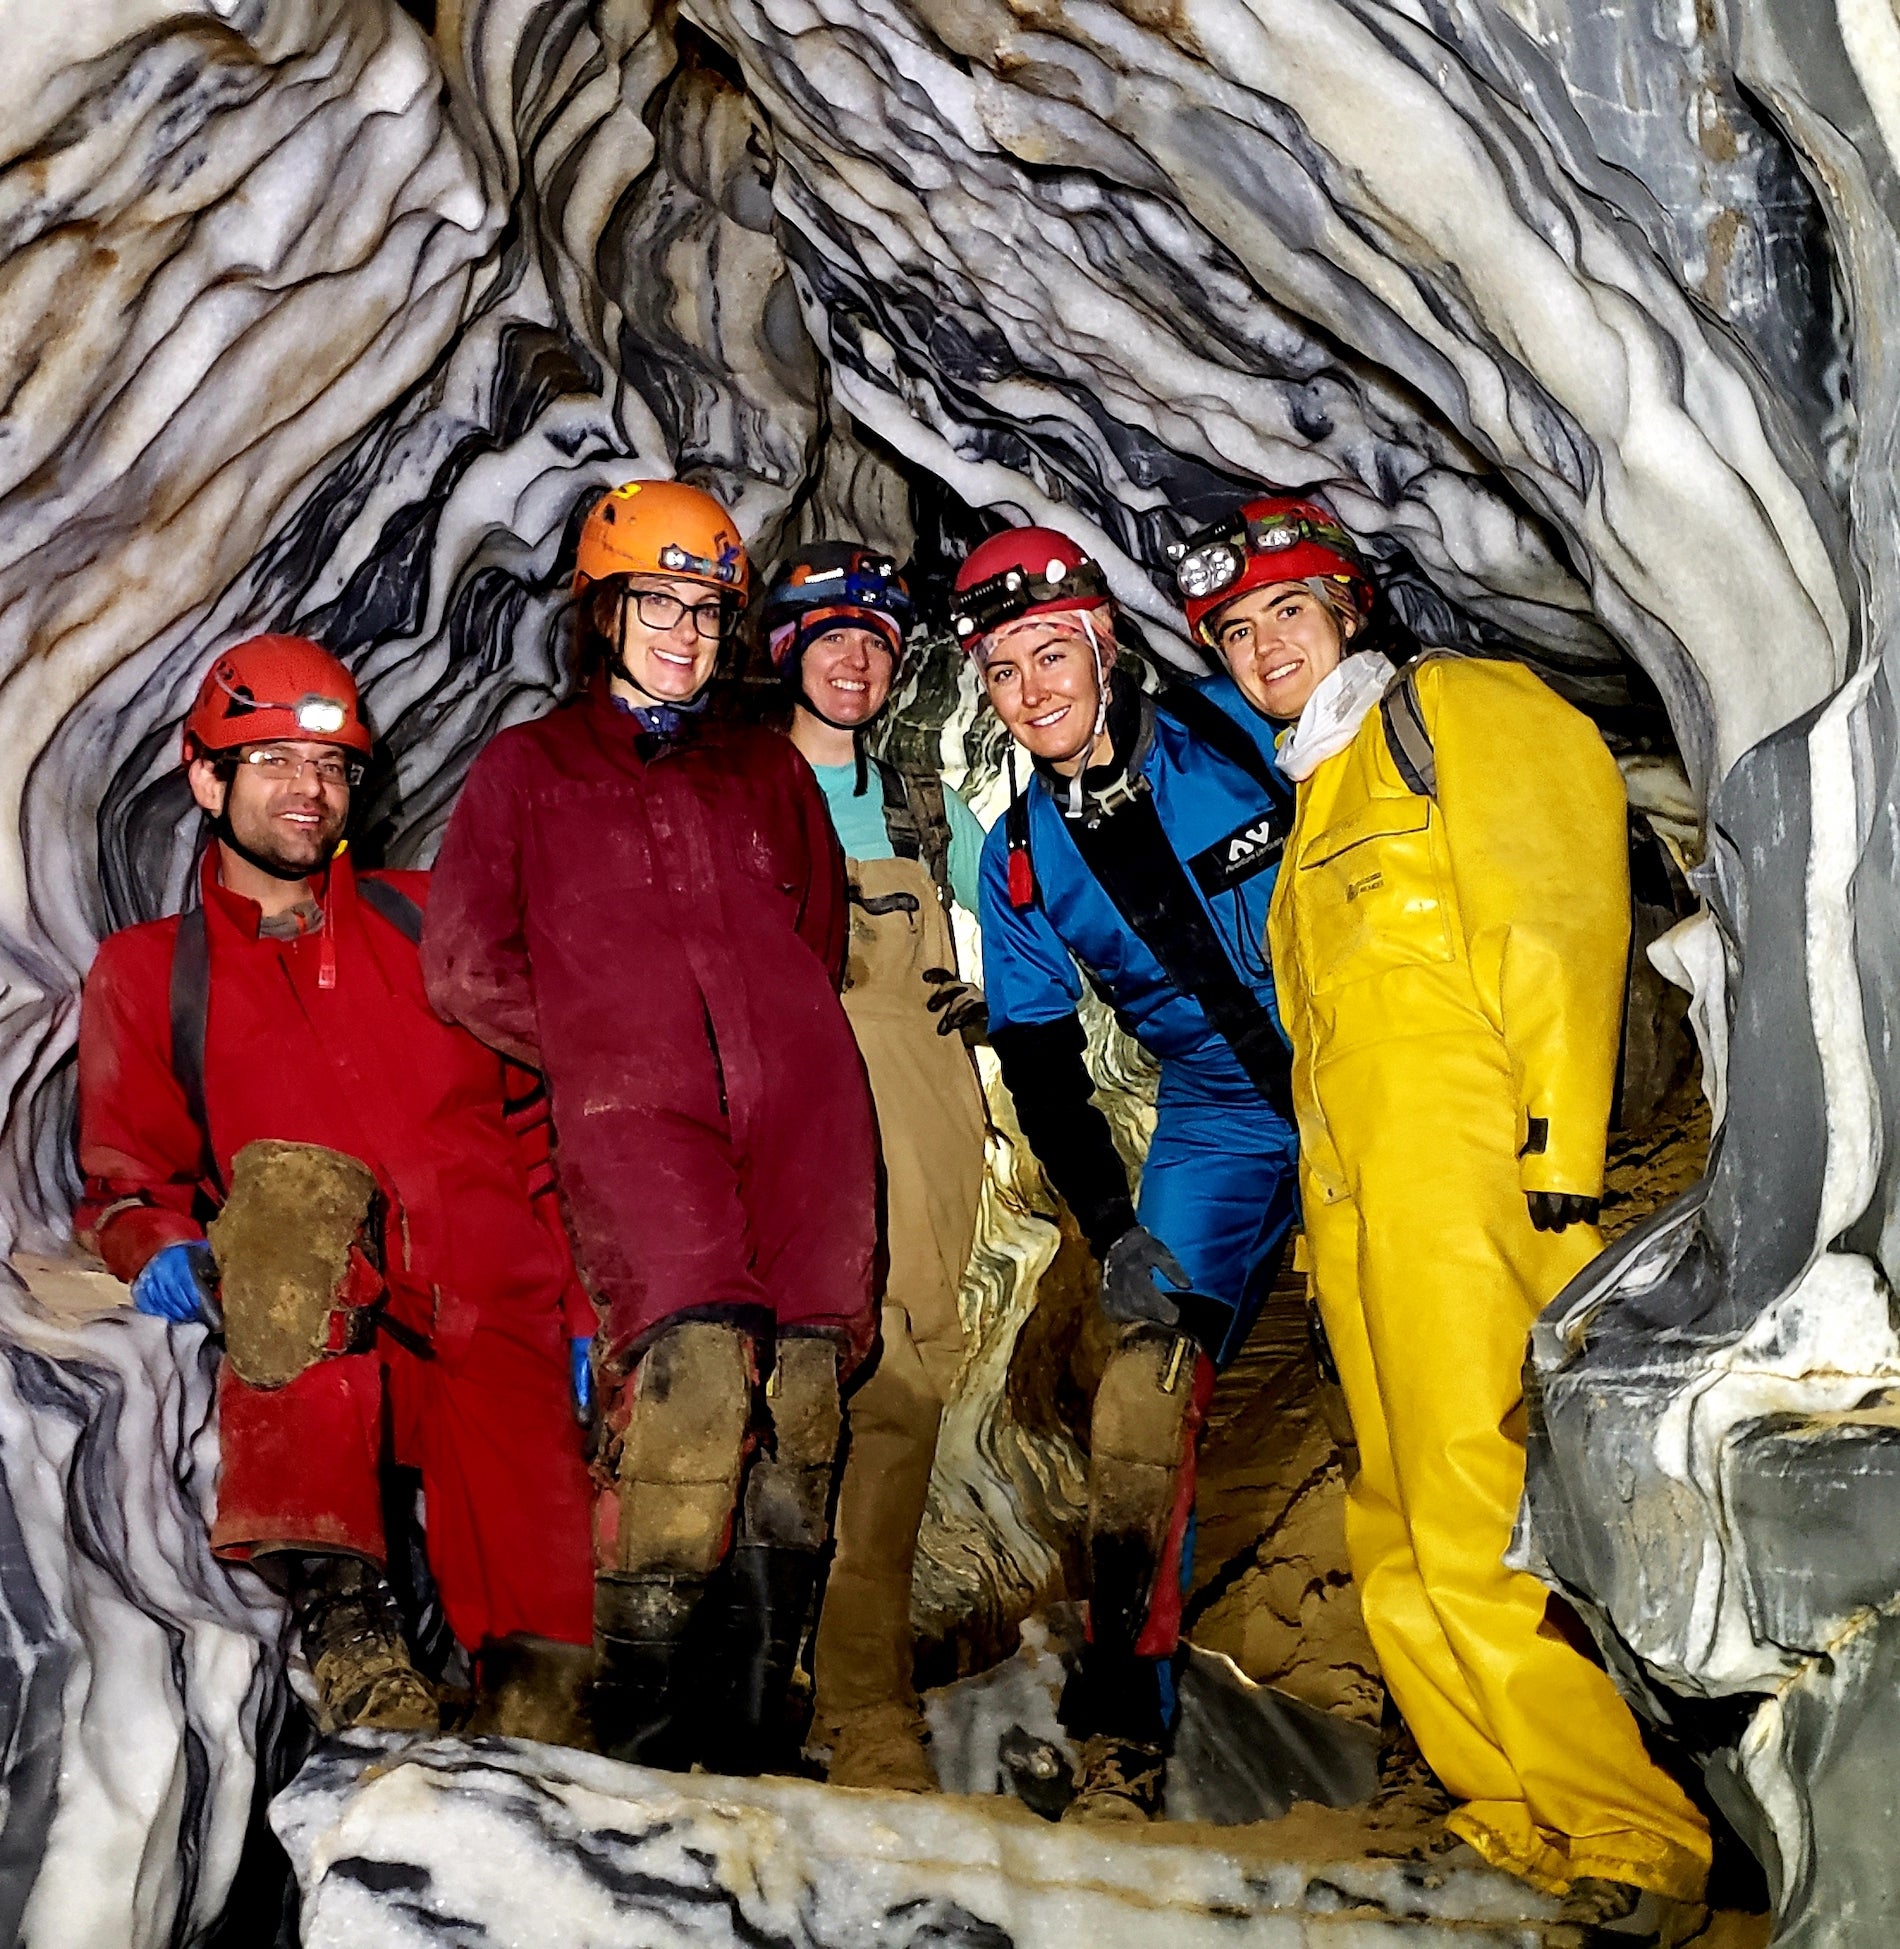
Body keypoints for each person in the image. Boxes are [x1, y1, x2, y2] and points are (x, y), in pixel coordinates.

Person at [1175, 495, 1711, 1925]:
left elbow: (1555, 907)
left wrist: (1556, 1158)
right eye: (1235, 629)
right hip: (1359, 1212)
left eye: (1288, 610)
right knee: (1397, 1524)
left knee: (1486, 1501)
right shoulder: (1312, 811)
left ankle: (1633, 1831)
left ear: (1350, 610)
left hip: (1478, 1180)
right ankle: (1509, 1804)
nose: (1263, 643)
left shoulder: (1455, 708)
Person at [421, 480, 879, 1775]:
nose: (680, 630)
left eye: (702, 607)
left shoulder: (766, 765)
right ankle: (637, 1724)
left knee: (801, 1404)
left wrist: (766, 1047)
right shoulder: (530, 768)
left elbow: (816, 944)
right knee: (686, 1385)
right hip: (636, 1116)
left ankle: (750, 1723)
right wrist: (608, 1043)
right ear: (601, 609)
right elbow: (461, 967)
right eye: (653, 602)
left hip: (807, 1122)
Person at [76, 634, 597, 1742]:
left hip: (492, 1306)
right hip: (322, 1319)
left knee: (554, 1675)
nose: (309, 791)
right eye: (270, 759)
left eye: (330, 767)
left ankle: (534, 1730)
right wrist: (158, 1243)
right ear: (204, 774)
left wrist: (588, 1304)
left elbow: (540, 1121)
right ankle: (345, 1615)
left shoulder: (426, 923)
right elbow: (127, 1177)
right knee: (285, 1219)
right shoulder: (150, 971)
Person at [950, 525, 1301, 1821]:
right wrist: (1113, 1226)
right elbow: (1041, 1065)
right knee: (1141, 1394)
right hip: (1221, 1121)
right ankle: (1129, 1715)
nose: (1033, 688)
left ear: (1102, 646)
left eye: (1052, 653)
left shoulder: (1230, 733)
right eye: (1002, 671)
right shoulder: (1024, 859)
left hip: (1369, 1071)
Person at [762, 544, 990, 1791]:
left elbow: (1019, 908)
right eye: (829, 634)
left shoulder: (916, 806)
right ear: (784, 649)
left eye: (876, 641)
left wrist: (1004, 981)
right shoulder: (736, 787)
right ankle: (746, 1678)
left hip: (917, 1117)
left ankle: (862, 1697)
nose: (854, 658)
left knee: (899, 1397)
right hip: (783, 1109)